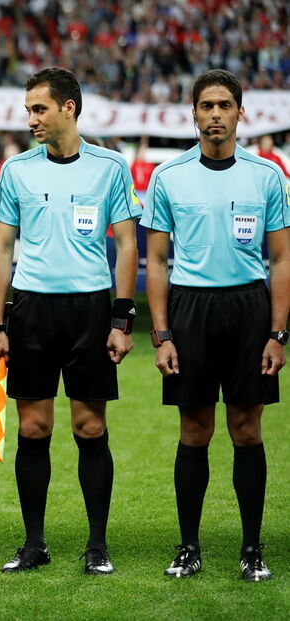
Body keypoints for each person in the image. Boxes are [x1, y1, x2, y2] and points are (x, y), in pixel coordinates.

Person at [0, 67, 141, 575]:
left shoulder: (111, 167)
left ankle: (97, 546)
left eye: (39, 109)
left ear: (68, 108)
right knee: (33, 427)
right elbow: (2, 247)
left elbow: (125, 245)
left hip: (90, 310)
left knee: (89, 425)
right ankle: (34, 545)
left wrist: (122, 317)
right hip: (31, 310)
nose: (30, 118)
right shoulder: (17, 170)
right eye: (28, 109)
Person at [142, 69, 289, 582]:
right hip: (191, 310)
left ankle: (252, 548)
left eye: (225, 105)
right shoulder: (168, 176)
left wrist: (277, 333)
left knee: (247, 429)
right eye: (207, 106)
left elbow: (282, 259)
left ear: (240, 113)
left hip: (249, 311)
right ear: (194, 113)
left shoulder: (267, 176)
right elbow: (156, 262)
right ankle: (189, 547)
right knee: (194, 429)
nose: (215, 115)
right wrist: (161, 335)